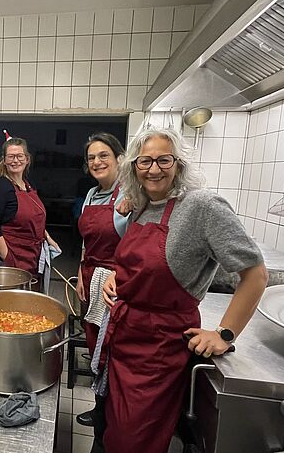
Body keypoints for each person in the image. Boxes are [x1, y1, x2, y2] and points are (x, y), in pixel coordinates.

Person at [99, 127, 268, 453]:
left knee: (134, 441)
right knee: (116, 432)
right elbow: (139, 266)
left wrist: (224, 334)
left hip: (159, 348)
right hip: (124, 339)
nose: (154, 169)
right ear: (134, 167)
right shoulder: (142, 205)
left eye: (164, 160)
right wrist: (116, 276)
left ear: (178, 164)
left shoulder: (203, 207)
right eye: (145, 161)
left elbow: (256, 274)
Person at [73, 133, 128, 450]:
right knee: (94, 342)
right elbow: (86, 239)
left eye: (104, 155)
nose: (97, 162)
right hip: (90, 276)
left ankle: (108, 424)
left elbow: (135, 246)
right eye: (92, 157)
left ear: (119, 158)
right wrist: (80, 270)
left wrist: (118, 276)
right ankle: (99, 409)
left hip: (115, 283)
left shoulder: (129, 196)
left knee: (108, 349)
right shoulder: (92, 194)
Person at [0, 137, 59, 288]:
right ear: (4, 160)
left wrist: (48, 237)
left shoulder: (28, 185)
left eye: (19, 156)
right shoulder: (0, 188)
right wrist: (9, 258)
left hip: (30, 256)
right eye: (11, 156)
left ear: (27, 159)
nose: (15, 160)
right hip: (10, 261)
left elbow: (34, 219)